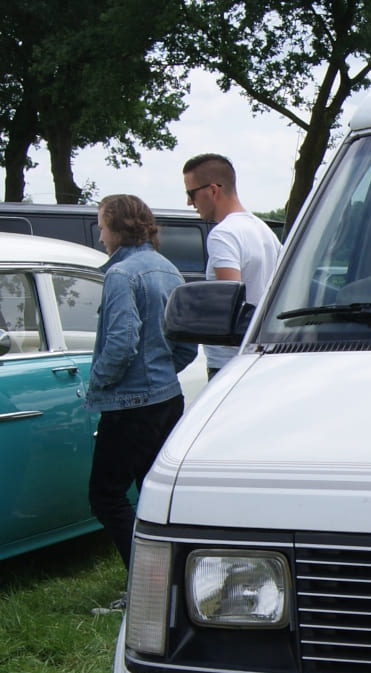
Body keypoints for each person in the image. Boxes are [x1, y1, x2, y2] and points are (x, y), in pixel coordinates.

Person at [87, 194, 197, 573]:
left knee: (105, 496)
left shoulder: (121, 274)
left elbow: (120, 344)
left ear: (117, 227)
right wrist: (162, 372)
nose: (100, 235)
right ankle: (165, 580)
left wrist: (97, 384)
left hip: (130, 406)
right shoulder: (169, 269)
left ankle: (144, 583)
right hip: (167, 398)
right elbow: (188, 346)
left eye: (102, 225)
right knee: (153, 497)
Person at [182, 153, 282, 378]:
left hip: (229, 362)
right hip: (261, 353)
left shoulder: (223, 235)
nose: (189, 202)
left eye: (191, 194)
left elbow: (230, 305)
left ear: (213, 190)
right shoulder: (263, 230)